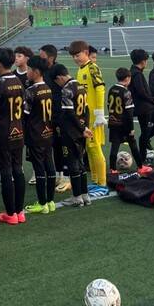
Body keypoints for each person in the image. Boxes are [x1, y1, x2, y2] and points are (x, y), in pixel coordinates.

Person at [0, 48, 26, 225]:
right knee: (18, 169)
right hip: (18, 130)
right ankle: (20, 211)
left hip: (3, 133)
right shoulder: (19, 81)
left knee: (6, 171)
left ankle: (10, 213)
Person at [51, 63, 93, 208]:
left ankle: (77, 197)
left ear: (59, 78)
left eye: (57, 82)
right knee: (80, 162)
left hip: (70, 131)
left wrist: (81, 128)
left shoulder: (67, 89)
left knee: (72, 163)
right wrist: (85, 127)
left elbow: (69, 113)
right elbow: (86, 110)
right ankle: (85, 195)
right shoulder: (80, 86)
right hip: (81, 130)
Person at [68, 40, 107, 187]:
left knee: (95, 147)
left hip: (94, 116)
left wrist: (99, 113)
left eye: (77, 55)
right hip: (85, 115)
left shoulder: (92, 68)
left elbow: (100, 88)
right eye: (73, 56)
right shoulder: (80, 69)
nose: (75, 58)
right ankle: (95, 180)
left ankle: (102, 183)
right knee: (89, 148)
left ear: (86, 53)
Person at [23, 55, 56, 215]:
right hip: (48, 132)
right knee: (49, 165)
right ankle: (50, 201)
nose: (27, 72)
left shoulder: (31, 91)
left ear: (36, 71)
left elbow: (25, 115)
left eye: (29, 69)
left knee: (39, 168)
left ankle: (42, 203)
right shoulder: (48, 88)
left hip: (35, 134)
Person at [107, 67, 147, 174]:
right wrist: (131, 128)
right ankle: (140, 167)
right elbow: (129, 113)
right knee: (133, 144)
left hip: (113, 122)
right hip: (124, 124)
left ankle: (113, 169)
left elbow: (109, 106)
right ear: (128, 78)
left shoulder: (111, 89)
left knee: (114, 146)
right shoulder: (126, 92)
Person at [39, 45, 66, 193]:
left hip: (59, 115)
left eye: (43, 57)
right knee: (51, 145)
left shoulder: (57, 71)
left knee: (62, 145)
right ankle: (57, 173)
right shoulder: (42, 71)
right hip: (46, 115)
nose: (40, 59)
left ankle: (65, 176)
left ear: (51, 58)